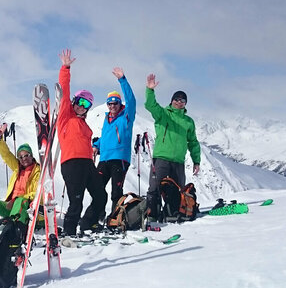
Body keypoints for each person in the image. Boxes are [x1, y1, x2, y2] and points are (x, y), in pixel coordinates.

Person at [57, 48, 107, 236]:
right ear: (74, 101)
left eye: (86, 104)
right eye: (79, 102)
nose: (81, 106)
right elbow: (64, 90)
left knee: (101, 196)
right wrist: (66, 68)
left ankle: (88, 223)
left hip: (87, 164)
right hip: (71, 163)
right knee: (76, 200)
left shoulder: (84, 125)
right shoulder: (65, 116)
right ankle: (69, 232)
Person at [143, 74, 201, 221]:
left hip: (178, 161)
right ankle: (152, 215)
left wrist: (196, 161)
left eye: (182, 100)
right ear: (172, 100)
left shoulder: (188, 122)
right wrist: (150, 90)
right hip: (161, 157)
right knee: (154, 188)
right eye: (176, 99)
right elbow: (150, 105)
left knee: (178, 190)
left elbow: (193, 142)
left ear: (185, 103)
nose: (179, 102)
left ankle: (173, 213)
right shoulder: (163, 114)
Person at [93, 67, 136, 213]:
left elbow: (131, 100)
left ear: (120, 104)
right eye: (109, 104)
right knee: (97, 189)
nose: (112, 106)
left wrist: (122, 80)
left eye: (115, 103)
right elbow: (106, 137)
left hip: (119, 159)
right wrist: (96, 145)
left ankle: (114, 220)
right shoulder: (106, 119)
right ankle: (94, 218)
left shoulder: (126, 117)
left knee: (116, 192)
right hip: (104, 158)